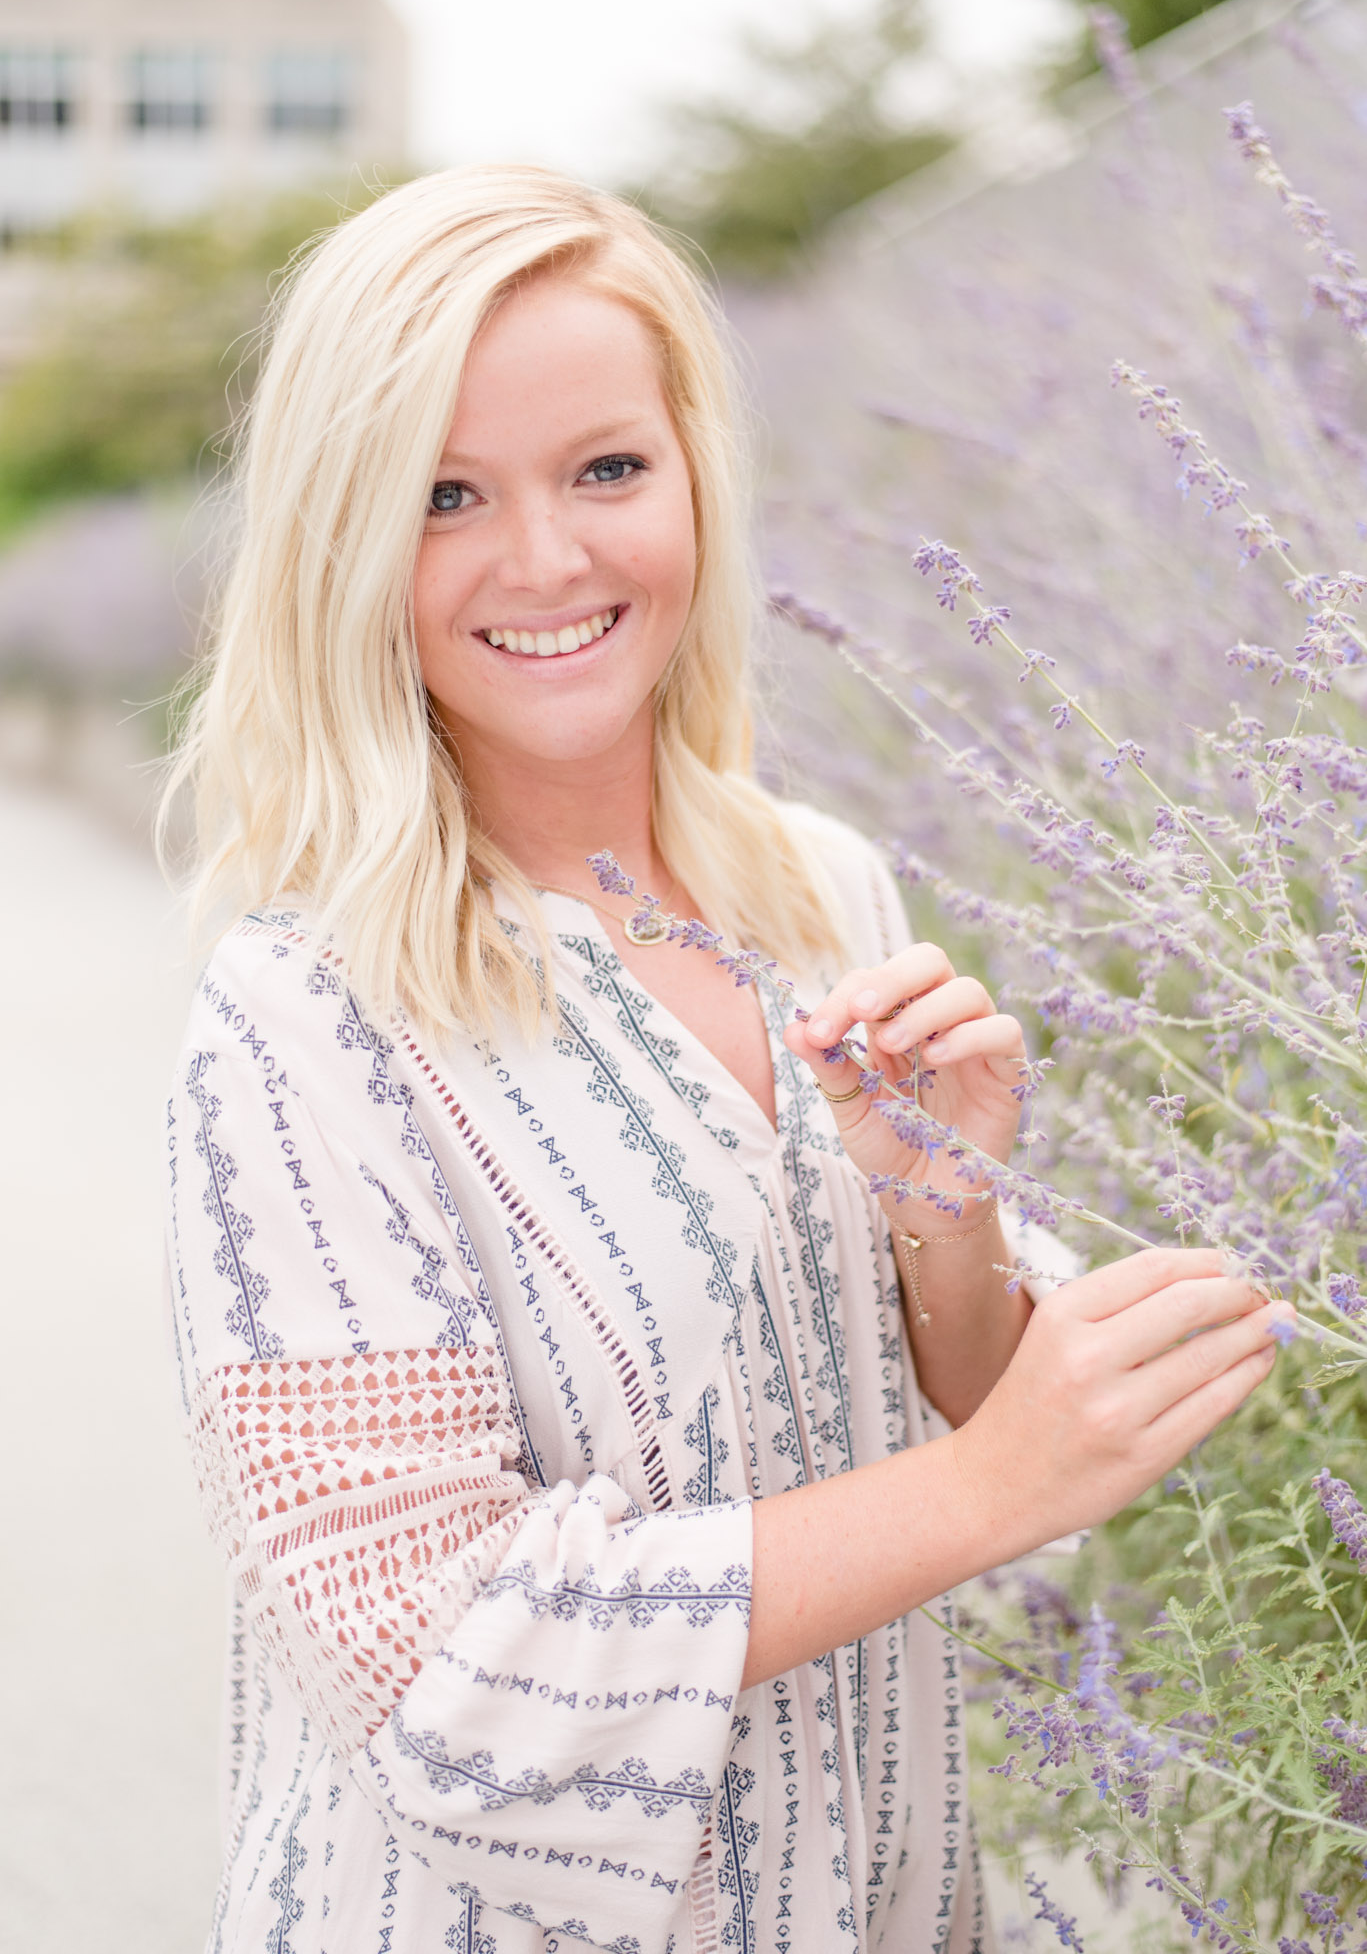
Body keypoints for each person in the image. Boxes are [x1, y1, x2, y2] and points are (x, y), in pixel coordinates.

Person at [161, 166, 1291, 1954]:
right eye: (445, 495)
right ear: (339, 536)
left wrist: (947, 1219)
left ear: (695, 472)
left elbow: (960, 1379)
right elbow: (448, 1666)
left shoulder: (816, 879)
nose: (547, 559)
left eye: (607, 468)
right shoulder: (303, 1014)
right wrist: (993, 1491)